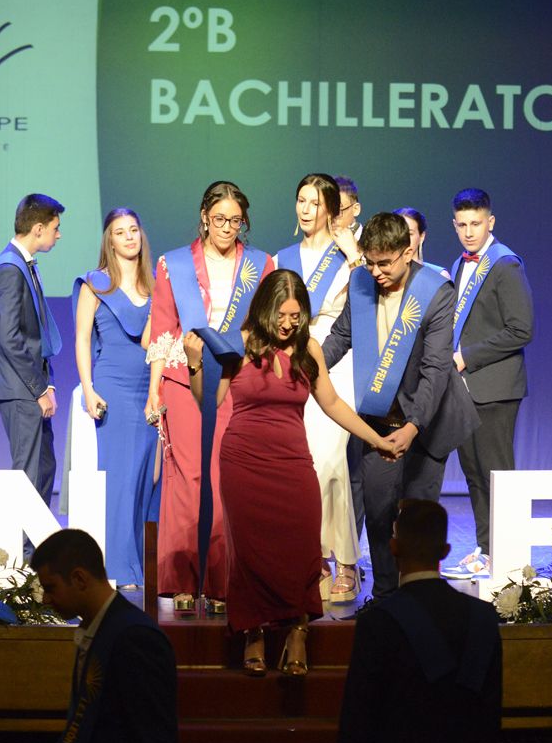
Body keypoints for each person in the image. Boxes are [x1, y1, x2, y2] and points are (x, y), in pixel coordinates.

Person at [182, 269, 397, 675]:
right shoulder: (239, 346)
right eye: (281, 315)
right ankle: (254, 633)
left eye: (296, 316)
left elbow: (333, 404)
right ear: (265, 309)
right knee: (249, 553)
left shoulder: (309, 349)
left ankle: (298, 629)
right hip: (243, 463)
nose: (287, 324)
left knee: (301, 547)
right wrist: (196, 365)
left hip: (293, 462)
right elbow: (208, 403)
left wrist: (377, 439)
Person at [320, 213, 479, 598]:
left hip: (427, 421)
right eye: (369, 261)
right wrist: (304, 371)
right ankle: (386, 599)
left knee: (417, 520)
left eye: (384, 263)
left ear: (407, 252)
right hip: (379, 419)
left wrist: (412, 427)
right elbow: (341, 337)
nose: (375, 271)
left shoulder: (435, 291)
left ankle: (419, 601)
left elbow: (436, 370)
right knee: (377, 515)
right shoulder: (361, 281)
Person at [335, 499, 502, 743]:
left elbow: (358, 720)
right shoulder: (484, 619)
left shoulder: (379, 622)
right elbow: (490, 717)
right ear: (445, 550)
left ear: (393, 546)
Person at [31, 528, 201, 743]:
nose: (45, 599)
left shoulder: (134, 638)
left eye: (50, 588)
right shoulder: (103, 627)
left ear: (79, 578)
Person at [146, 181, 272, 613]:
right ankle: (182, 580)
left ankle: (220, 581)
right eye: (219, 219)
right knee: (186, 479)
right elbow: (163, 330)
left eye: (235, 221)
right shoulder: (173, 265)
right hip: (183, 382)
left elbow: (265, 325)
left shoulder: (261, 264)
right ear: (204, 217)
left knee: (224, 479)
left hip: (235, 382)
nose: (227, 228)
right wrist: (153, 393)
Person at [276, 174, 364, 603]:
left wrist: (352, 257)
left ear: (330, 207)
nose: (306, 209)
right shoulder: (283, 256)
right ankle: (314, 557)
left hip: (336, 356)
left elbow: (365, 305)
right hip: (292, 357)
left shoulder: (347, 253)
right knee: (303, 463)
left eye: (314, 202)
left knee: (331, 460)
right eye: (300, 200)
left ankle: (346, 559)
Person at [444, 188, 533, 580]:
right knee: (475, 475)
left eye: (476, 223)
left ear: (490, 222)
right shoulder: (460, 264)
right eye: (462, 225)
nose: (468, 232)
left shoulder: (504, 265)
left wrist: (466, 358)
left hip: (495, 388)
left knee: (498, 474)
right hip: (464, 390)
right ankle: (487, 548)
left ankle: (508, 552)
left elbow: (522, 329)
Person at [73, 208, 160, 589]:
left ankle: (143, 563)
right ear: (109, 240)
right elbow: (81, 339)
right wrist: (89, 389)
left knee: (147, 477)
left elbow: (158, 342)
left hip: (149, 387)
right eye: (120, 232)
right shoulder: (95, 284)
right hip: (113, 386)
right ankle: (119, 567)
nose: (128, 237)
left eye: (134, 230)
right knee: (121, 479)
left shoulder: (156, 287)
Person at [0, 194, 64, 502]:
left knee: (43, 467)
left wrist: (48, 383)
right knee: (29, 473)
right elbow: (10, 339)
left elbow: (35, 332)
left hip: (31, 385)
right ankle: (22, 550)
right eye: (56, 227)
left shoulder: (22, 265)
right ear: (38, 229)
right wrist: (39, 389)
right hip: (19, 388)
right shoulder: (8, 269)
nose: (59, 234)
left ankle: (33, 546)